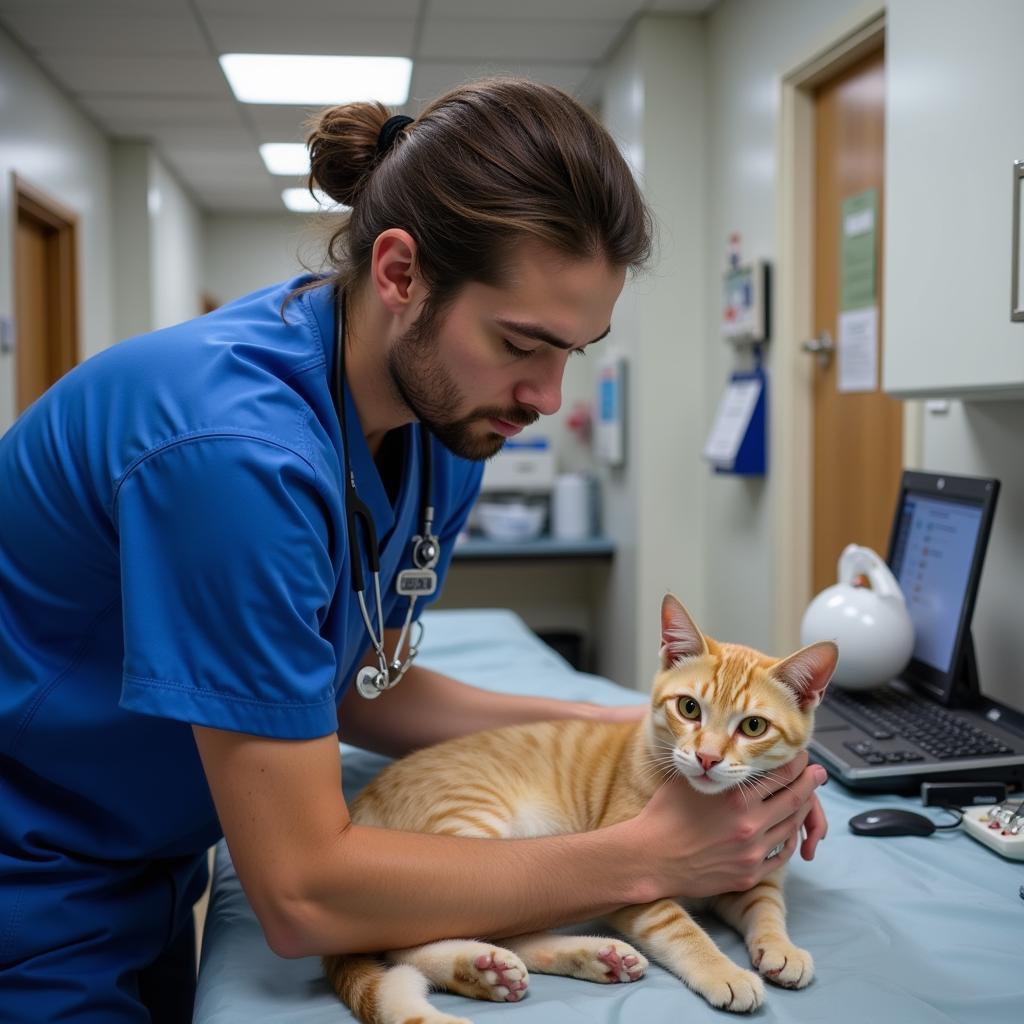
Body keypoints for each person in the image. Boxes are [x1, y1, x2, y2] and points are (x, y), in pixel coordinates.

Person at [0, 77, 827, 1022]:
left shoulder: (442, 426)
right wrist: (652, 854)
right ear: (400, 273)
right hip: (32, 863)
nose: (546, 397)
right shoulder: (235, 460)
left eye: (575, 350)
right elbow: (305, 891)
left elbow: (346, 679)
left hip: (151, 848)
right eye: (521, 342)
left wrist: (645, 742)